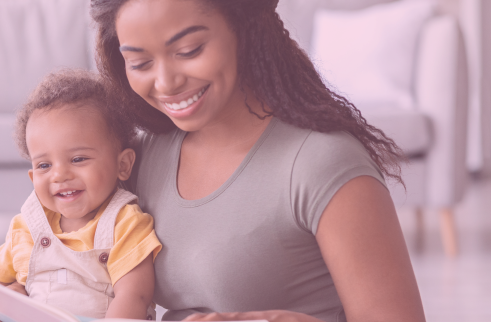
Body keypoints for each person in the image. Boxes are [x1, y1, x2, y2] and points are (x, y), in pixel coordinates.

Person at [91, 0, 425, 321]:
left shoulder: (321, 162)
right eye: (140, 63)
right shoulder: (144, 154)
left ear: (244, 28)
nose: (166, 83)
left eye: (189, 51)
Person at [0, 69, 162, 322]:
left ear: (122, 164)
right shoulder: (27, 227)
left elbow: (134, 296)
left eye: (78, 159)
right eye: (44, 166)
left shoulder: (125, 224)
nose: (59, 175)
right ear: (32, 177)